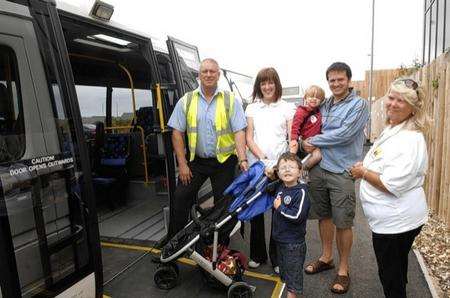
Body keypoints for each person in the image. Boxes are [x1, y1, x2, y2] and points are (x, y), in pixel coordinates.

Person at [350, 78, 428, 298]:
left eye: (400, 101)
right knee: (396, 268)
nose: (392, 103)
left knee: (390, 276)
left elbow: (391, 184)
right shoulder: (395, 126)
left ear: (413, 108)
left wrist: (362, 172)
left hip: (395, 224)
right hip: (393, 221)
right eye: (391, 97)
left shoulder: (409, 139)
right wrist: (365, 166)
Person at [302, 62, 369, 294]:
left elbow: (345, 134)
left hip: (342, 170)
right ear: (328, 82)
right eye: (332, 80)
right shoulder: (325, 104)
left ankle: (343, 269)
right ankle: (326, 257)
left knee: (343, 221)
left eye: (340, 79)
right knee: (324, 216)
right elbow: (309, 127)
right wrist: (302, 140)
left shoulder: (359, 105)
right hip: (320, 168)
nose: (336, 83)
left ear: (349, 80)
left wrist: (314, 141)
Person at [166, 58, 248, 238]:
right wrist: (182, 164)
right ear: (199, 75)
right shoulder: (186, 101)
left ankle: (218, 248)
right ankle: (172, 244)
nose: (209, 74)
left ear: (218, 75)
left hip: (225, 162)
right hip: (197, 162)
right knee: (180, 198)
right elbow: (176, 133)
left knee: (224, 205)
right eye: (205, 71)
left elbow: (239, 132)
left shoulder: (230, 100)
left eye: (212, 71)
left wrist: (243, 159)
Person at [245, 67, 295, 272]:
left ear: (277, 84)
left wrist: (281, 163)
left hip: (279, 168)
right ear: (259, 86)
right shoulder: (251, 108)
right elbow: (248, 137)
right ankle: (257, 255)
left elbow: (292, 139)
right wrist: (263, 159)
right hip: (258, 166)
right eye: (263, 83)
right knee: (255, 213)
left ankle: (277, 259)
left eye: (270, 82)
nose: (267, 86)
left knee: (278, 213)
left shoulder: (287, 108)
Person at [272, 152, 310, 298]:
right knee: (286, 275)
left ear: (300, 171)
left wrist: (280, 207)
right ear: (278, 173)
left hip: (293, 244)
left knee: (293, 280)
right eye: (283, 168)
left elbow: (297, 216)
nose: (287, 170)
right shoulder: (281, 186)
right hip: (281, 241)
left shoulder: (301, 192)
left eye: (291, 167)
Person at [289, 85, 325, 170]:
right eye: (311, 96)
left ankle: (303, 169)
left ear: (322, 100)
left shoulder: (319, 112)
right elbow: (295, 126)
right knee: (293, 155)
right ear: (305, 97)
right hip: (305, 140)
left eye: (317, 97)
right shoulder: (302, 111)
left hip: (316, 142)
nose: (314, 99)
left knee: (318, 156)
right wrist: (294, 139)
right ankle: (295, 168)